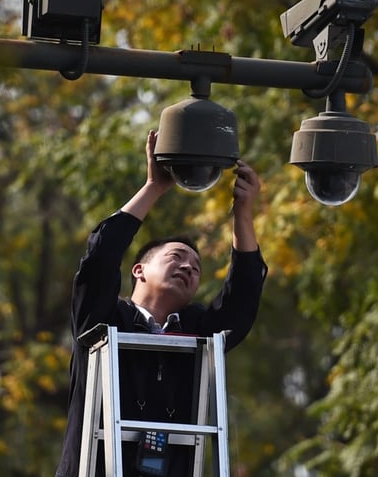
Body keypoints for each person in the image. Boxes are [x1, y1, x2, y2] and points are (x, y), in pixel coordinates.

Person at [55, 130, 268, 477]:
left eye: (196, 268)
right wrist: (154, 186)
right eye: (176, 257)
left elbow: (241, 304)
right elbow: (100, 260)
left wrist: (243, 215)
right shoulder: (103, 320)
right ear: (139, 270)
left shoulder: (197, 330)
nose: (188, 266)